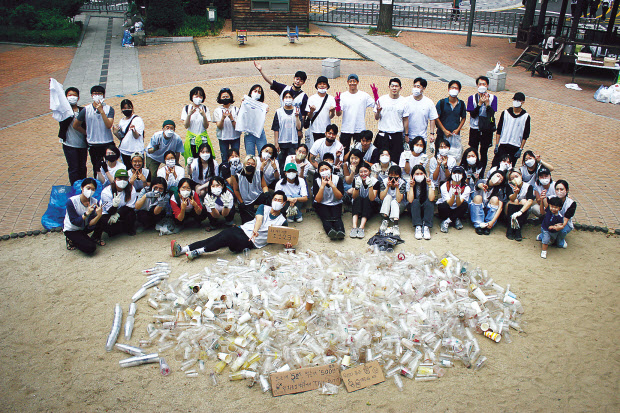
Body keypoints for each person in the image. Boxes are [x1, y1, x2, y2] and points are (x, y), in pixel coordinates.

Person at [171, 191, 291, 260]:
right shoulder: (263, 207)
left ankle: (199, 251)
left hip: (251, 241)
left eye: (280, 200)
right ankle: (183, 249)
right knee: (216, 238)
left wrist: (287, 243)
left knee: (227, 237)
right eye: (275, 199)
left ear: (284, 203)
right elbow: (259, 219)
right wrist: (255, 229)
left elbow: (283, 236)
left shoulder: (282, 221)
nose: (276, 202)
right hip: (243, 229)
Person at [74, 85, 115, 176]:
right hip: (94, 144)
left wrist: (101, 111)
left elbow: (109, 125)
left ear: (103, 96)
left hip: (107, 142)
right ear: (92, 95)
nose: (97, 95)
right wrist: (87, 133)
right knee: (97, 168)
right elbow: (76, 125)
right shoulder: (86, 110)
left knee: (110, 166)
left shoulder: (109, 109)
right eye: (95, 94)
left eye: (99, 94)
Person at [93, 169, 137, 243]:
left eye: (125, 179)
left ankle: (127, 228)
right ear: (115, 179)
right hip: (108, 213)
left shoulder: (131, 189)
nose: (122, 181)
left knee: (131, 214)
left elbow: (130, 206)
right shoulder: (106, 192)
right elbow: (109, 211)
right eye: (120, 178)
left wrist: (117, 215)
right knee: (108, 226)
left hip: (122, 212)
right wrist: (114, 206)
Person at [335, 74, 376, 154]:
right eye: (350, 81)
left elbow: (376, 104)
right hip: (346, 128)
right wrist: (337, 104)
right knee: (344, 150)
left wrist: (375, 94)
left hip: (359, 128)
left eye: (354, 81)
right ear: (347, 82)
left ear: (357, 82)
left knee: (359, 151)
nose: (352, 83)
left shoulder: (364, 95)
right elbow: (338, 114)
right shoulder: (343, 96)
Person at [56, 86, 87, 185]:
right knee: (74, 167)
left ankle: (83, 187)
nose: (72, 97)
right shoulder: (63, 112)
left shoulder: (83, 110)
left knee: (82, 167)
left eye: (74, 95)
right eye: (70, 95)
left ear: (78, 98)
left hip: (82, 144)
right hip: (69, 144)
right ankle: (75, 187)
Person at [63, 178, 103, 253]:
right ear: (82, 187)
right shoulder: (71, 201)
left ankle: (95, 237)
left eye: (93, 189)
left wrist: (99, 215)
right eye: (88, 188)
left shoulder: (94, 201)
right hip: (72, 229)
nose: (90, 191)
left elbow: (91, 223)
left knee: (102, 218)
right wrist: (87, 213)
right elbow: (74, 221)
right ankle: (71, 240)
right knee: (91, 248)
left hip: (84, 227)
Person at [467, 76, 497, 173]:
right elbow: (472, 114)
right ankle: (473, 169)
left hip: (486, 129)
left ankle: (482, 171)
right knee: (473, 150)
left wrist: (487, 104)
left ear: (487, 85)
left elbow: (492, 114)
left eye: (484, 84)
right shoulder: (471, 98)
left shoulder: (493, 98)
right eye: (480, 84)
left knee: (484, 151)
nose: (482, 86)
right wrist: (479, 104)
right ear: (477, 85)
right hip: (474, 128)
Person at [493, 92, 530, 167]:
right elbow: (499, 130)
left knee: (509, 167)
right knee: (496, 164)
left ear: (522, 102)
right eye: (515, 99)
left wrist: (520, 149)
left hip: (515, 146)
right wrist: (497, 144)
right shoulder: (505, 113)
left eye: (518, 100)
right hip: (503, 144)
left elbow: (525, 135)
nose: (516, 102)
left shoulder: (525, 117)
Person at [374, 78, 407, 162]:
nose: (394, 88)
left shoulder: (404, 101)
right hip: (383, 134)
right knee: (380, 159)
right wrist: (378, 111)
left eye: (396, 86)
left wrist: (406, 134)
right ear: (389, 87)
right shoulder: (381, 100)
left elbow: (405, 120)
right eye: (392, 86)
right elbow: (376, 117)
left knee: (396, 159)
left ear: (400, 88)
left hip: (397, 135)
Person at [537, 180, 576, 249]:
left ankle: (559, 240)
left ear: (567, 190)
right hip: (551, 221)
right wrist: (543, 200)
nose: (559, 191)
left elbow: (566, 219)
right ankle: (545, 235)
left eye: (562, 189)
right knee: (547, 228)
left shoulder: (571, 203)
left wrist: (560, 226)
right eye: (557, 189)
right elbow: (544, 212)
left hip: (564, 223)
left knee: (562, 232)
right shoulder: (550, 198)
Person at [231, 156, 270, 223]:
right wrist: (241, 202)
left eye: (253, 164)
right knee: (247, 221)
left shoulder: (259, 173)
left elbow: (264, 186)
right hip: (245, 200)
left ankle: (268, 218)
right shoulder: (237, 175)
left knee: (269, 198)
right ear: (244, 164)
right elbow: (236, 190)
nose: (250, 165)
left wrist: (266, 193)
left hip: (257, 195)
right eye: (248, 163)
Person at [469, 170, 508, 235]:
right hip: (477, 209)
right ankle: (478, 225)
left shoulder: (499, 190)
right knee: (478, 197)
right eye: (497, 176)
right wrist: (483, 186)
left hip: (488, 210)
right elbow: (479, 184)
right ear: (493, 174)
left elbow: (500, 208)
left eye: (501, 179)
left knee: (495, 199)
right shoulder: (482, 181)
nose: (498, 179)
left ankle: (488, 225)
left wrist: (492, 222)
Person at [313, 161, 345, 240]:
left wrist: (332, 185)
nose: (324, 172)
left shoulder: (337, 179)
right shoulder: (317, 181)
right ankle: (330, 230)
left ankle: (341, 231)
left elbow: (339, 197)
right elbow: (318, 200)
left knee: (337, 217)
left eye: (326, 169)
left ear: (330, 169)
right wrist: (322, 186)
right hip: (322, 204)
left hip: (336, 203)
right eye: (322, 170)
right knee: (326, 217)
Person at [272, 90, 302, 173]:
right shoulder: (279, 112)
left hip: (293, 142)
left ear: (293, 99)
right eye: (286, 97)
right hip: (282, 142)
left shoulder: (297, 110)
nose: (288, 99)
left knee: (292, 164)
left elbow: (299, 127)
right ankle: (282, 179)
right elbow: (276, 128)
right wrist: (276, 142)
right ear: (283, 99)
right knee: (282, 164)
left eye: (290, 97)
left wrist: (296, 117)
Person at [403, 77, 438, 147]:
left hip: (421, 138)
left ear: (424, 88)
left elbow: (432, 118)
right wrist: (405, 134)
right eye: (414, 86)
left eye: (418, 86)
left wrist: (432, 133)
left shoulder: (429, 102)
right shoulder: (405, 101)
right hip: (407, 137)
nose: (416, 88)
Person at [435, 80, 466, 154]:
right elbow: (436, 118)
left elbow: (463, 118)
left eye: (456, 88)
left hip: (454, 135)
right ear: (448, 89)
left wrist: (458, 129)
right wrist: (444, 130)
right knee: (439, 154)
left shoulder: (461, 104)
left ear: (459, 91)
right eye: (452, 88)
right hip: (442, 134)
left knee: (454, 154)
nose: (454, 90)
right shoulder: (442, 103)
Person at [181, 86, 212, 163]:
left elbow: (206, 126)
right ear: (192, 96)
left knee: (204, 160)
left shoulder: (205, 108)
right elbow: (186, 125)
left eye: (200, 96)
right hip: (192, 140)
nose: (198, 98)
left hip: (203, 139)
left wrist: (204, 116)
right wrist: (189, 114)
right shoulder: (187, 108)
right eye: (196, 95)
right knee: (192, 161)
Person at [304, 75, 336, 147]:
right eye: (320, 84)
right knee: (314, 148)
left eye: (324, 84)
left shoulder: (331, 99)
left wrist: (333, 111)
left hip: (326, 130)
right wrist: (311, 111)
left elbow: (331, 116)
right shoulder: (312, 98)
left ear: (327, 86)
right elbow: (309, 116)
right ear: (317, 86)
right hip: (314, 129)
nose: (322, 86)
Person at [437, 165, 470, 233]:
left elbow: (459, 204)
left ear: (463, 175)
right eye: (455, 173)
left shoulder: (466, 188)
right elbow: (449, 203)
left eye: (459, 173)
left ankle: (448, 220)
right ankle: (455, 219)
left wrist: (457, 195)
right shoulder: (445, 186)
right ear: (451, 174)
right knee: (442, 205)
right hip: (447, 208)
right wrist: (453, 194)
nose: (457, 175)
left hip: (457, 208)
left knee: (465, 205)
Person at [505, 169, 536, 241]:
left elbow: (530, 200)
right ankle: (510, 227)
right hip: (509, 210)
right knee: (515, 201)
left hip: (521, 212)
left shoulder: (528, 186)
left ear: (521, 176)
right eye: (512, 178)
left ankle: (518, 228)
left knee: (524, 201)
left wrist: (520, 212)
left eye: (516, 176)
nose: (515, 179)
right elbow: (511, 198)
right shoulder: (509, 186)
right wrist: (515, 193)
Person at [377, 165, 408, 237]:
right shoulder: (384, 182)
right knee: (388, 196)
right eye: (391, 175)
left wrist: (397, 187)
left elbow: (399, 200)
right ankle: (385, 220)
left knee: (394, 202)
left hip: (398, 207)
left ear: (399, 176)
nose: (393, 177)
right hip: (386, 206)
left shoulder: (402, 183)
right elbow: (381, 197)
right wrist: (387, 187)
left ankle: (396, 225)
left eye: (395, 175)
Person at [350, 162, 378, 238]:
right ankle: (354, 227)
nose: (363, 174)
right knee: (358, 199)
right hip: (358, 203)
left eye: (365, 171)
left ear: (369, 171)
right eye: (361, 172)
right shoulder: (356, 180)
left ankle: (361, 227)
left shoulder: (375, 181)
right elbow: (354, 197)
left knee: (366, 200)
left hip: (370, 204)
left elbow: (372, 198)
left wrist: (370, 186)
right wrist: (356, 188)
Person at [113, 99, 145, 166]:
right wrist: (115, 132)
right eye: (124, 108)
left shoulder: (137, 120)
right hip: (124, 151)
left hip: (136, 151)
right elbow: (122, 138)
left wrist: (133, 130)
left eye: (129, 107)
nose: (127, 109)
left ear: (132, 108)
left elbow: (136, 136)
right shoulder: (121, 121)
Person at [408, 164, 435, 240]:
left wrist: (429, 185)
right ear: (412, 175)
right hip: (414, 208)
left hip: (425, 208)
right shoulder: (409, 183)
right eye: (417, 174)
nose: (419, 175)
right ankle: (418, 227)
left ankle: (426, 227)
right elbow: (410, 200)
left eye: (421, 173)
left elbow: (432, 198)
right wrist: (411, 186)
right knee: (415, 201)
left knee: (430, 202)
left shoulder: (429, 182)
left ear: (425, 175)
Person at [213, 87, 240, 162]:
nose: (225, 98)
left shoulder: (236, 109)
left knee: (236, 158)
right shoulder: (217, 110)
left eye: (227, 96)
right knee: (224, 158)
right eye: (223, 97)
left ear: (230, 97)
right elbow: (219, 126)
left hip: (235, 137)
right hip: (223, 138)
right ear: (220, 98)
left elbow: (237, 126)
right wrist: (222, 118)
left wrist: (231, 118)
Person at [242, 84, 269, 156]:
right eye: (255, 91)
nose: (257, 93)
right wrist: (243, 104)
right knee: (250, 155)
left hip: (260, 131)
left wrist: (264, 110)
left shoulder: (262, 105)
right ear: (251, 92)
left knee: (263, 153)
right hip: (249, 133)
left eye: (259, 92)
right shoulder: (245, 103)